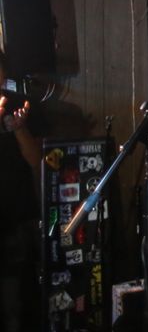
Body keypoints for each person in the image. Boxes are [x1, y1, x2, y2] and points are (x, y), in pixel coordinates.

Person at [0, 51, 40, 332]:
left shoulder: (18, 104)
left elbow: (36, 160)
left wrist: (19, 129)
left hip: (17, 217)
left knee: (16, 304)